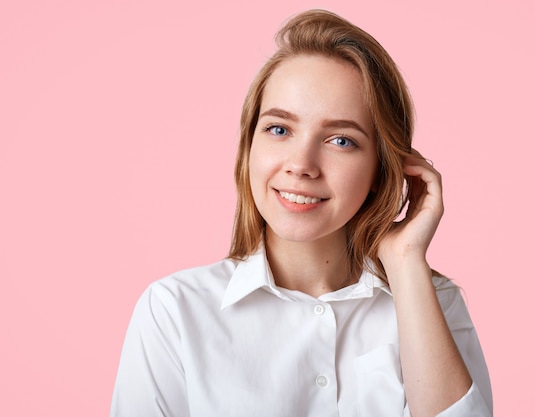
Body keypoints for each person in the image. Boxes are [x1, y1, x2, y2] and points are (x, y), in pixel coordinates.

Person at [110, 9, 492, 417]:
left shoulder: (435, 303)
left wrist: (404, 262)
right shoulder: (175, 311)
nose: (301, 164)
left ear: (383, 169)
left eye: (341, 140)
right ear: (249, 148)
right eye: (279, 129)